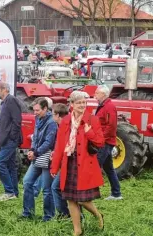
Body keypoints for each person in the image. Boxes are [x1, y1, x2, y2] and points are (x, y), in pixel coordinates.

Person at [50, 91, 105, 236]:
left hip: (85, 164)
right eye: (79, 103)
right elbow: (59, 145)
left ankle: (98, 215)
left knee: (82, 199)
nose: (82, 105)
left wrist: (89, 132)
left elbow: (100, 142)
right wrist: (55, 166)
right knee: (70, 199)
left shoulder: (92, 120)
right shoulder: (66, 121)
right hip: (69, 162)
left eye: (84, 103)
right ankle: (77, 230)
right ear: (72, 105)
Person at [21, 97, 58, 221]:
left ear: (45, 109)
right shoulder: (38, 119)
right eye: (34, 110)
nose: (35, 112)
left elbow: (49, 142)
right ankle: (28, 213)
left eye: (37, 110)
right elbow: (36, 137)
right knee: (27, 182)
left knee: (47, 190)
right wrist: (32, 149)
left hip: (48, 158)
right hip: (37, 156)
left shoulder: (52, 122)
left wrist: (35, 152)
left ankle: (48, 216)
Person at [0, 81, 22, 201]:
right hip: (5, 139)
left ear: (4, 89)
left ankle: (9, 191)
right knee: (11, 166)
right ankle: (14, 193)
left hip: (10, 140)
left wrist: (12, 137)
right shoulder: (3, 103)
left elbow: (17, 120)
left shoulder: (11, 100)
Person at [94, 85, 123, 200]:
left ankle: (93, 193)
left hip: (105, 142)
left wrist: (100, 138)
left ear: (103, 94)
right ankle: (116, 193)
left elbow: (111, 126)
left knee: (96, 166)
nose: (95, 95)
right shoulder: (102, 106)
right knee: (109, 168)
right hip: (104, 141)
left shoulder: (109, 107)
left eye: (97, 93)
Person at [50, 103, 70, 218]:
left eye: (53, 114)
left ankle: (64, 214)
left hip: (68, 163)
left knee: (56, 187)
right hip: (65, 162)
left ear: (57, 115)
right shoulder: (63, 125)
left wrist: (55, 167)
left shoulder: (64, 126)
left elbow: (64, 147)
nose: (52, 116)